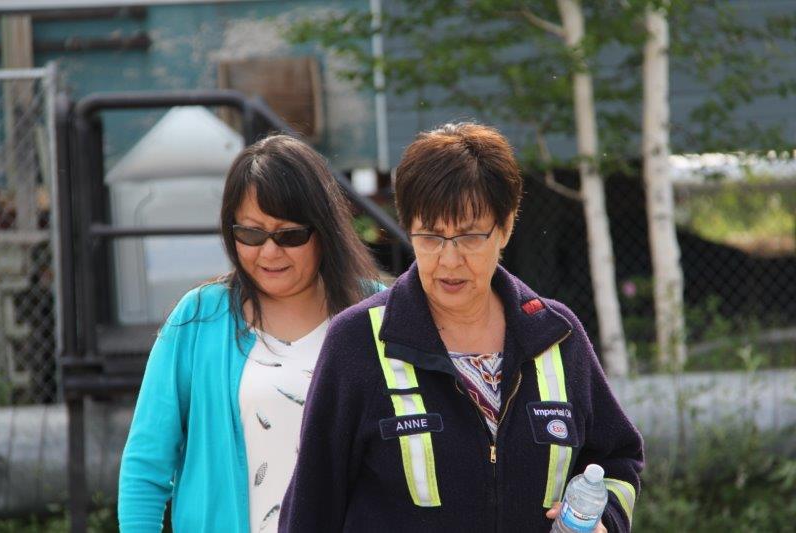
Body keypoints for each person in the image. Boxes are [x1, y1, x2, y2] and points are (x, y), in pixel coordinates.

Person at [280, 123, 643, 532]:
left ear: (505, 228)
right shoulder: (358, 342)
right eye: (431, 237)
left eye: (469, 237)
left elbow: (618, 460)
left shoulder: (556, 336)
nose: (449, 260)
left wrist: (604, 520)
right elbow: (313, 505)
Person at [118, 134, 380, 532]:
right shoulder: (199, 318)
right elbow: (145, 468)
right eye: (251, 234)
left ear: (324, 230)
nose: (269, 253)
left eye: (290, 235)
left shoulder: (378, 315)